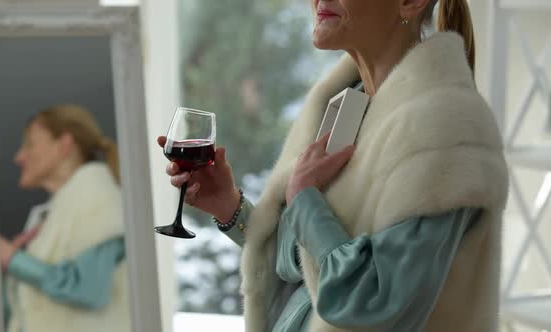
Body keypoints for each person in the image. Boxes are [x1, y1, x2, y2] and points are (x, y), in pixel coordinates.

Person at [160, 0, 509, 331]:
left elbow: (374, 303)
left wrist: (304, 199)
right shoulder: (350, 103)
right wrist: (229, 205)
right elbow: (299, 261)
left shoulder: (444, 129)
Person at [0, 105, 130, 332]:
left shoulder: (97, 195)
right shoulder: (58, 211)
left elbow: (90, 289)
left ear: (64, 145)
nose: (19, 157)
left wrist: (12, 258)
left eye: (30, 143)